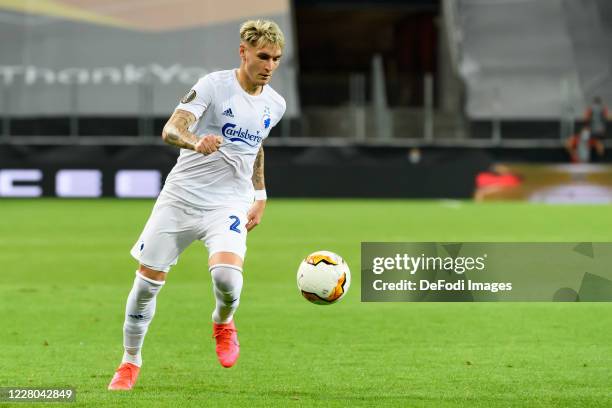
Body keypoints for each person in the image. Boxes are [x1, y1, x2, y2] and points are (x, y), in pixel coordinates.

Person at [108, 19, 286, 390]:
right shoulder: (213, 86)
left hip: (228, 204)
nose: (269, 66)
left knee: (226, 278)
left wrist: (260, 195)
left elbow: (255, 147)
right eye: (263, 56)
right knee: (145, 287)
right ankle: (129, 362)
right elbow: (172, 128)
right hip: (181, 199)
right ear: (244, 52)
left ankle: (223, 322)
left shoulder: (275, 104)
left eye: (276, 59)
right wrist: (194, 141)